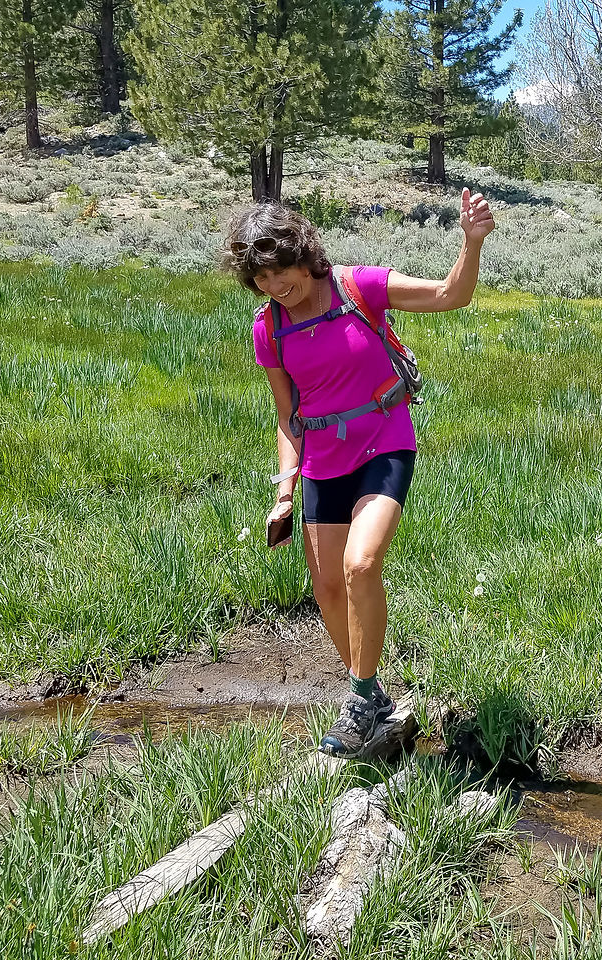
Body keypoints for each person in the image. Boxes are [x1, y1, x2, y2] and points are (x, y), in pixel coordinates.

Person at [222, 189, 495, 758]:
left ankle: (363, 697)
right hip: (322, 458)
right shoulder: (267, 329)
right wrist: (283, 490)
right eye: (261, 278)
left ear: (302, 253)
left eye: (280, 271)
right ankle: (371, 702)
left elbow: (451, 295)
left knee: (361, 564)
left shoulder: (357, 287)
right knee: (326, 587)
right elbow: (286, 415)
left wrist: (470, 244)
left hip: (383, 440)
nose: (275, 286)